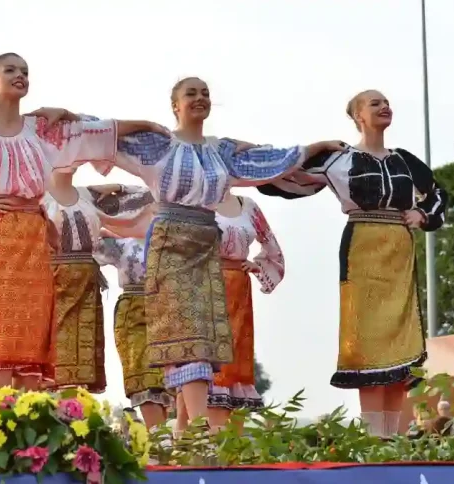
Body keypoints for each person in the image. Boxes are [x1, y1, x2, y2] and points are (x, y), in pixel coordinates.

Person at [98, 76, 343, 425]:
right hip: (170, 245)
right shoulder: (158, 146)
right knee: (189, 342)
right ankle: (199, 433)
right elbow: (99, 138)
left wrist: (314, 147)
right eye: (190, 94)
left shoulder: (221, 152)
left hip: (205, 249)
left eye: (205, 93)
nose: (200, 99)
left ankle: (188, 434)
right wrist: (136, 124)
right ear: (175, 105)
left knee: (206, 349)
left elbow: (270, 158)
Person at [0, 52, 167, 390]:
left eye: (25, 71)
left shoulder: (39, 129)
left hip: (34, 235)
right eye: (10, 70)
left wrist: (145, 124)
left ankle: (28, 425)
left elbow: (92, 134)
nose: (20, 75)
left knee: (31, 329)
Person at [257, 89, 448, 438]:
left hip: (400, 250)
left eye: (387, 101)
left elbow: (438, 195)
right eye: (375, 103)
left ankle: (393, 438)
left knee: (400, 340)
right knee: (367, 339)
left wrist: (421, 214)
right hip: (362, 247)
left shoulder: (404, 160)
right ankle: (375, 436)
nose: (384, 106)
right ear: (358, 115)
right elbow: (281, 179)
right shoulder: (339, 158)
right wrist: (314, 148)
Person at [44, 174, 154, 394]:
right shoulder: (37, 196)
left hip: (85, 283)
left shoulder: (89, 196)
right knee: (48, 354)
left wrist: (119, 186)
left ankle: (73, 418)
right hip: (49, 279)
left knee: (80, 359)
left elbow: (149, 197)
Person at [206, 192, 284, 431]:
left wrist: (257, 265)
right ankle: (209, 435)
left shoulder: (248, 206)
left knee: (237, 356)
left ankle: (232, 442)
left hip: (239, 288)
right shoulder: (197, 200)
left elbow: (272, 246)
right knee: (210, 358)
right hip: (207, 284)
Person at [94, 231, 172, 430]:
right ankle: (157, 437)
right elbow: (86, 243)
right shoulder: (123, 238)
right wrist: (106, 226)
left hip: (169, 309)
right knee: (142, 374)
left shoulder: (174, 232)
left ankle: (169, 439)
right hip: (133, 310)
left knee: (169, 377)